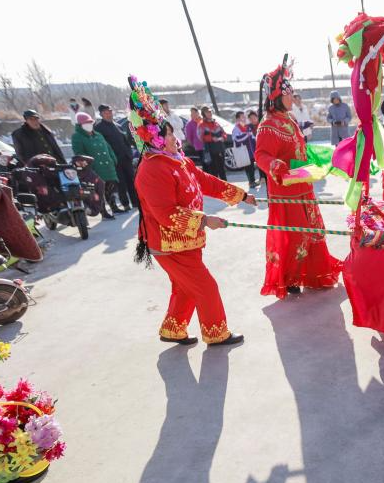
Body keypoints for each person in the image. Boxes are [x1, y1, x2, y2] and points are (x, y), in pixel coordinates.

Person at [129, 76, 253, 347]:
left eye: (172, 132)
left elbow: (205, 181)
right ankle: (216, 333)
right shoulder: (152, 169)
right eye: (168, 134)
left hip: (185, 241)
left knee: (185, 288)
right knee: (205, 287)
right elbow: (166, 213)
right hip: (169, 244)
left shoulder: (177, 160)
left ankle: (173, 330)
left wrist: (241, 195)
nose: (175, 138)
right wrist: (205, 220)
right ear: (153, 138)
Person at [256, 56, 342, 297]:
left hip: (303, 185)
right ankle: (290, 277)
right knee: (295, 235)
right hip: (286, 192)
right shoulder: (268, 124)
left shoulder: (289, 119)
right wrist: (274, 164)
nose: (292, 98)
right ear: (277, 96)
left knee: (314, 231)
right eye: (288, 94)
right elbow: (261, 154)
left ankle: (314, 273)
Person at [71, 112, 120, 217]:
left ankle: (114, 207)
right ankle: (103, 211)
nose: (89, 125)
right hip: (95, 167)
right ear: (80, 125)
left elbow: (108, 148)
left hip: (107, 166)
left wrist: (113, 159)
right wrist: (87, 165)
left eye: (90, 123)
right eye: (86, 123)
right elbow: (79, 153)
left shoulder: (98, 135)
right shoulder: (77, 137)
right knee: (99, 190)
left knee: (110, 187)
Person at [95, 104, 138, 211]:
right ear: (101, 114)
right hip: (114, 159)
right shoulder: (99, 128)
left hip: (126, 157)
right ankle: (125, 204)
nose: (109, 115)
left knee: (132, 180)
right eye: (105, 113)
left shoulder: (117, 125)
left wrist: (129, 153)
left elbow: (126, 141)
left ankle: (135, 202)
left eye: (110, 112)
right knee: (121, 183)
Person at [197, 106, 228, 181]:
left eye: (210, 112)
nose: (209, 113)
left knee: (222, 169)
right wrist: (211, 138)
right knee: (213, 170)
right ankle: (216, 186)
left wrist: (223, 137)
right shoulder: (201, 124)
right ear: (203, 114)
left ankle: (225, 185)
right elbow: (200, 137)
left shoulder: (216, 123)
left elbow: (224, 133)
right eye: (207, 112)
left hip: (220, 148)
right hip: (210, 150)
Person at [231, 111, 257, 188]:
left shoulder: (247, 127)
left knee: (252, 166)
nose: (244, 118)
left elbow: (252, 137)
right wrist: (246, 135)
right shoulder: (236, 128)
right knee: (248, 167)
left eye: (244, 116)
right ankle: (251, 182)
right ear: (238, 119)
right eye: (242, 117)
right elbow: (236, 139)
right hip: (244, 151)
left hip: (251, 150)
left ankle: (253, 181)